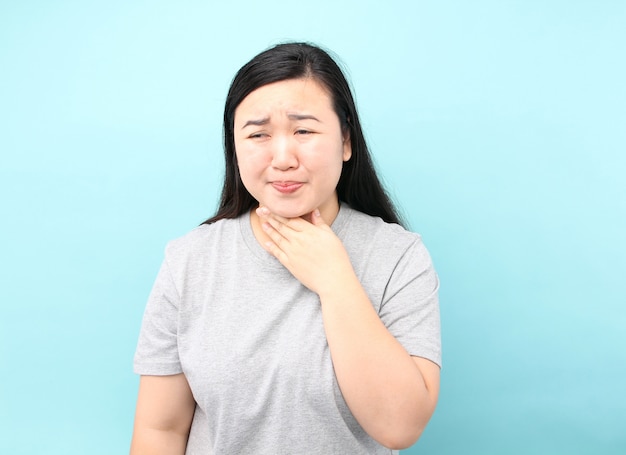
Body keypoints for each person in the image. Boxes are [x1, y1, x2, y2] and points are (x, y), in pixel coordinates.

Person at [130, 42, 441, 455]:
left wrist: (335, 280)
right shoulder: (189, 260)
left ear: (346, 141)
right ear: (235, 148)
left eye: (304, 131)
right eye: (258, 134)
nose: (282, 158)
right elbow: (161, 431)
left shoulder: (398, 257)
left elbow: (399, 426)